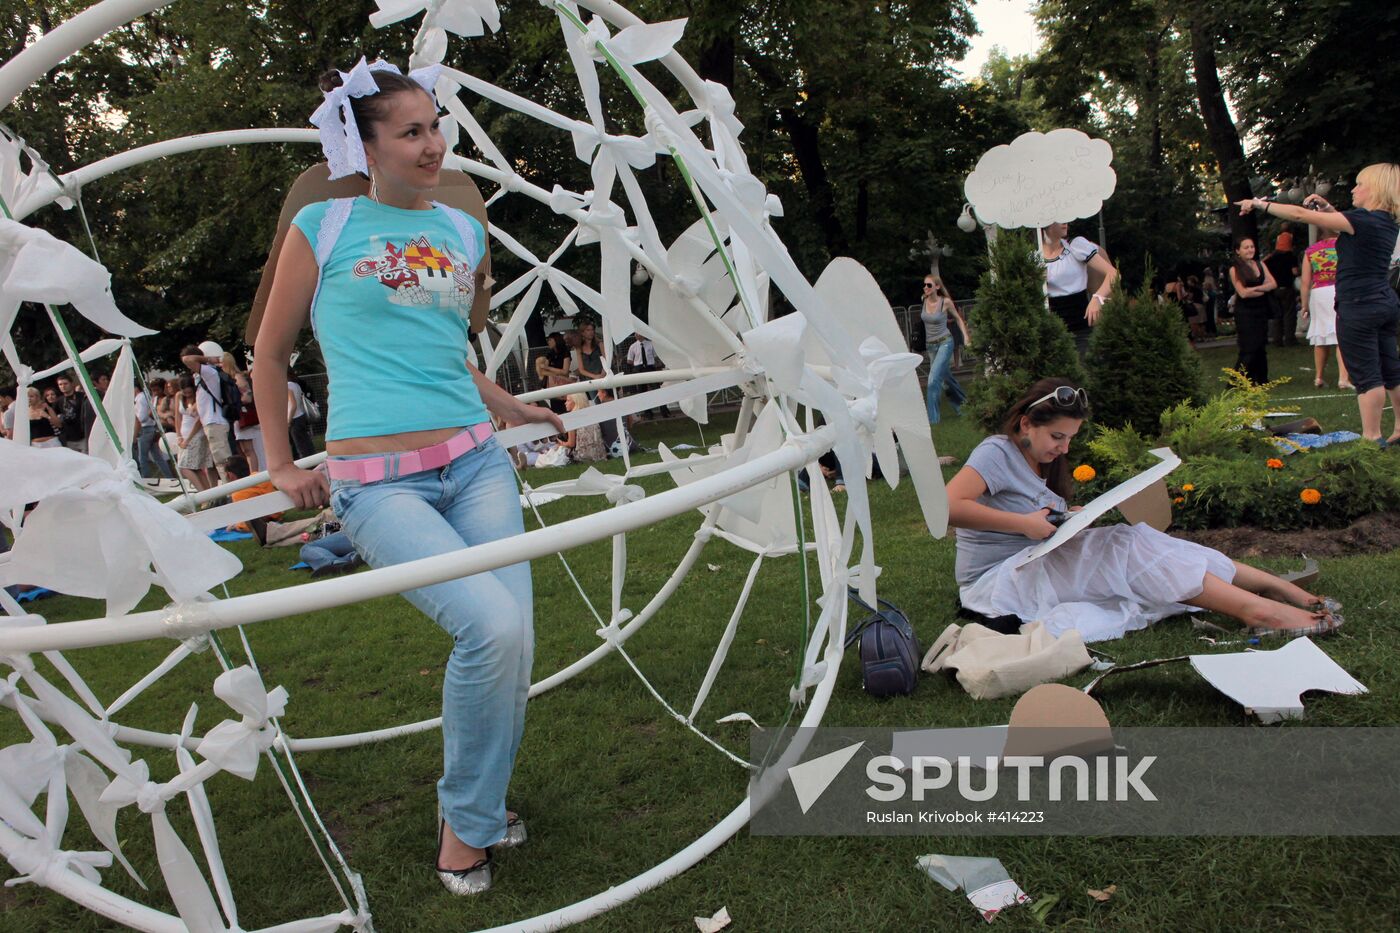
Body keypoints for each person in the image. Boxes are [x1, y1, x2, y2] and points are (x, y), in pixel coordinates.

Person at [252, 57, 563, 896]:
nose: (433, 146)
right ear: (366, 145)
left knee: (515, 641)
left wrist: (511, 405)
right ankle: (468, 823)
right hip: (377, 482)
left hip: (476, 462)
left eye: (436, 127)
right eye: (411, 132)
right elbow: (271, 354)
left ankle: (475, 811)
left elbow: (445, 354)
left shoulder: (461, 230)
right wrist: (279, 462)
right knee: (489, 627)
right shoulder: (321, 225)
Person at [945, 378, 1342, 643]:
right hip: (996, 583)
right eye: (1057, 436)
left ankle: (1274, 588)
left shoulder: (1043, 461)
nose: (1064, 448)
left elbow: (1034, 518)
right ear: (1026, 424)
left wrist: (1066, 517)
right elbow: (947, 507)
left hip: (1033, 564)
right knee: (1123, 545)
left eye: (1070, 438)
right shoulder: (997, 451)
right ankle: (1261, 613)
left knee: (1142, 539)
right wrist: (1023, 524)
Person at [1238, 164, 1400, 444]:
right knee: (1392, 370)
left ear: (1376, 189)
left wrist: (1260, 204)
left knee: (1368, 376)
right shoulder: (1386, 222)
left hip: (1358, 305)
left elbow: (1300, 214)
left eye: (1359, 184)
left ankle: (1372, 439)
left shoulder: (1362, 220)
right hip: (1384, 302)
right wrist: (1328, 209)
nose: (1354, 189)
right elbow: (1347, 227)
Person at [1039, 222, 1117, 355]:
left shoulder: (1076, 246)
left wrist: (1097, 298)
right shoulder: (1034, 258)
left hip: (1081, 330)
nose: (1065, 222)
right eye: (1058, 219)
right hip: (1052, 334)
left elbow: (1113, 274)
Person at [1299, 235, 1352, 389]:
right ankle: (1343, 378)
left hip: (1319, 294)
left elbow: (1305, 282)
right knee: (1342, 335)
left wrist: (1304, 305)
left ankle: (1319, 377)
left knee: (1320, 336)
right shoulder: (1345, 245)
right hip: (1340, 289)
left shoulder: (1311, 251)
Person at [179, 343, 236, 482]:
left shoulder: (208, 372)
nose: (188, 366)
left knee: (223, 462)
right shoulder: (202, 376)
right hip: (211, 423)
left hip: (214, 423)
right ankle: (228, 489)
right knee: (216, 463)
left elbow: (187, 359)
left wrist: (207, 359)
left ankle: (232, 490)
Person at [918, 276, 970, 426]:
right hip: (931, 346)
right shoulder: (924, 300)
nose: (925, 287)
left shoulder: (945, 302)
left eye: (929, 285)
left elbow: (958, 318)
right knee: (946, 380)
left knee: (932, 380)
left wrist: (966, 336)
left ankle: (932, 420)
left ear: (937, 287)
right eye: (924, 285)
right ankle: (966, 408)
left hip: (945, 343)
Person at [1227, 237, 1277, 384]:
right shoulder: (1234, 269)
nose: (1250, 250)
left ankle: (1261, 379)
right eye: (1246, 247)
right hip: (1245, 313)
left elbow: (1273, 284)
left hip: (1261, 310)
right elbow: (1243, 293)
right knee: (1249, 347)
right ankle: (1237, 382)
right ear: (1238, 251)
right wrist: (1262, 289)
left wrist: (1255, 289)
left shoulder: (1260, 264)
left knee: (1261, 346)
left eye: (1252, 247)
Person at [175, 375, 215, 491]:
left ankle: (202, 493)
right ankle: (208, 493)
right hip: (184, 434)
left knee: (184, 467)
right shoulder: (179, 396)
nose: (187, 394)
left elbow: (200, 420)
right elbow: (178, 417)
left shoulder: (199, 395)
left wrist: (188, 439)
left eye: (189, 391)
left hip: (197, 434)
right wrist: (179, 436)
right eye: (184, 391)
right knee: (195, 467)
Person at [1262, 231, 1300, 347]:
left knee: (1277, 315)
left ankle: (1277, 340)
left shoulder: (1271, 258)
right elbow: (1295, 272)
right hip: (1287, 287)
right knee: (1289, 314)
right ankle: (1290, 339)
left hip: (1274, 289)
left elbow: (1262, 266)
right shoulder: (1291, 257)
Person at [134, 378, 175, 478]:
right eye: (153, 390)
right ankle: (169, 477)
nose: (155, 392)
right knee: (157, 456)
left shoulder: (164, 399)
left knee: (142, 457)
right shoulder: (153, 398)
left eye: (157, 390)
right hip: (155, 427)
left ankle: (146, 478)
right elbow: (150, 413)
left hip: (150, 428)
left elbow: (143, 417)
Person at [556, 393, 606, 462]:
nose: (565, 403)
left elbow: (571, 444)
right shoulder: (591, 414)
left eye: (568, 400)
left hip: (582, 457)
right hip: (599, 454)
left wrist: (560, 443)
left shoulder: (572, 418)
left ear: (577, 402)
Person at [534, 332, 573, 415]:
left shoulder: (565, 352)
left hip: (562, 382)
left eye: (550, 340)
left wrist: (549, 368)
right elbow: (543, 367)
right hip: (553, 383)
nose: (548, 342)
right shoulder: (550, 353)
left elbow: (565, 371)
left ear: (556, 340)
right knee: (556, 408)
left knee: (565, 408)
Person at [54, 373, 94, 453]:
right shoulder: (59, 401)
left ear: (71, 383)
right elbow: (55, 416)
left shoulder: (82, 396)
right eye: (60, 384)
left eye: (65, 383)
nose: (63, 386)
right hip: (69, 437)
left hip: (84, 435)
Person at [286, 373, 317, 460]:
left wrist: (288, 420)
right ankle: (314, 462)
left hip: (294, 419)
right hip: (301, 416)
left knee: (300, 447)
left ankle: (306, 465)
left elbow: (293, 405)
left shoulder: (288, 385)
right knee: (307, 444)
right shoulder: (296, 385)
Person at [575, 319, 607, 387]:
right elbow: (581, 369)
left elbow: (606, 361)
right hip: (589, 380)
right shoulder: (579, 348)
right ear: (582, 333)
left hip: (603, 377)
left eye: (592, 330)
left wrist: (602, 375)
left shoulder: (600, 344)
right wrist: (594, 376)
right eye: (588, 330)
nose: (591, 332)